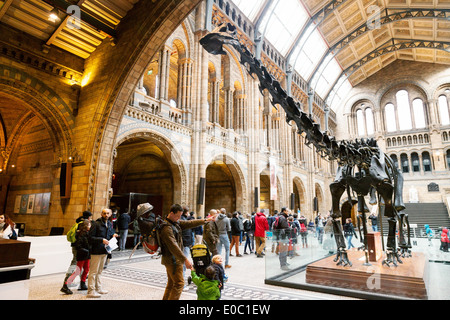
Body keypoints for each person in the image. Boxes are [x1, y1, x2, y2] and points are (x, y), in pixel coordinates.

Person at [160, 204, 213, 300]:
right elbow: (174, 246)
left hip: (172, 259)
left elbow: (190, 223)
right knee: (179, 284)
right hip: (173, 260)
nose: (179, 218)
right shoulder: (166, 228)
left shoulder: (174, 223)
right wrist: (185, 260)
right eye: (178, 216)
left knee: (172, 284)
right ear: (171, 213)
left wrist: (204, 220)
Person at [87, 208, 117, 298]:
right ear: (101, 214)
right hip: (96, 251)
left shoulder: (110, 224)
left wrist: (113, 235)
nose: (106, 215)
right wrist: (101, 240)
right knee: (93, 272)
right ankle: (91, 291)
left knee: (100, 271)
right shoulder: (96, 223)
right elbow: (90, 238)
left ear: (110, 214)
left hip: (105, 250)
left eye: (108, 213)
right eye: (104, 213)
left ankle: (98, 288)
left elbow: (108, 234)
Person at [60, 210, 92, 294]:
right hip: (80, 250)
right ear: (88, 218)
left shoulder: (78, 223)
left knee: (82, 267)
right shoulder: (82, 227)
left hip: (80, 249)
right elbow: (80, 242)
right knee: (75, 266)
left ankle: (82, 282)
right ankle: (66, 283)